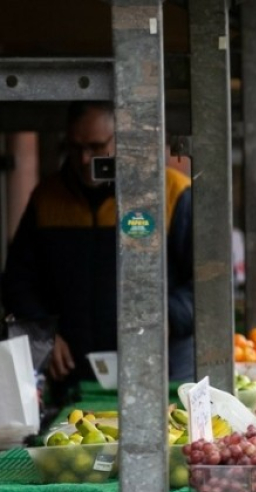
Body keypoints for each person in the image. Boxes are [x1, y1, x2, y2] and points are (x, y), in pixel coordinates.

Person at [1, 100, 195, 394]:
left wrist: (162, 317)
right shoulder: (47, 198)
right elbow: (18, 282)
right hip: (78, 380)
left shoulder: (171, 194)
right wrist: (45, 333)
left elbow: (208, 286)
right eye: (75, 148)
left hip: (163, 374)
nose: (83, 159)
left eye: (95, 146)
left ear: (123, 139)